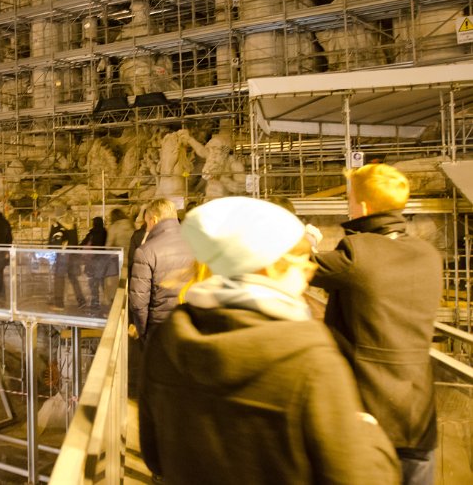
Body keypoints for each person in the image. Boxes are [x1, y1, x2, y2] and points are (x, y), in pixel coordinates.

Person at [139, 196, 399, 484]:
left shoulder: (169, 338)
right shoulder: (308, 355)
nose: (310, 270)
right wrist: (368, 431)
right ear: (268, 267)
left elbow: (155, 456)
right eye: (299, 261)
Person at [311, 164, 442, 485]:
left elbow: (299, 267)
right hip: (418, 415)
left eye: (349, 198)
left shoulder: (358, 252)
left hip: (367, 411)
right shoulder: (428, 254)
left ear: (364, 207)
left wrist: (303, 240)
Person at [128, 198, 194, 341]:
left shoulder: (145, 251)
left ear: (154, 220)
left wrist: (142, 332)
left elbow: (139, 302)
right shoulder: (196, 243)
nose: (147, 228)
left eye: (147, 223)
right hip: (191, 323)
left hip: (160, 327)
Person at [47, 204, 85, 309]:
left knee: (59, 278)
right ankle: (81, 300)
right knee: (73, 278)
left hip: (62, 255)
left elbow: (51, 242)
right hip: (72, 255)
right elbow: (76, 241)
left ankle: (59, 304)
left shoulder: (56, 225)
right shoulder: (73, 225)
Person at [80, 216, 108, 307]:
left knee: (93, 282)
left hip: (92, 261)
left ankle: (95, 301)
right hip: (102, 261)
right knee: (102, 282)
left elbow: (83, 243)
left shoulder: (92, 233)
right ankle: (107, 301)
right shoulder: (105, 233)